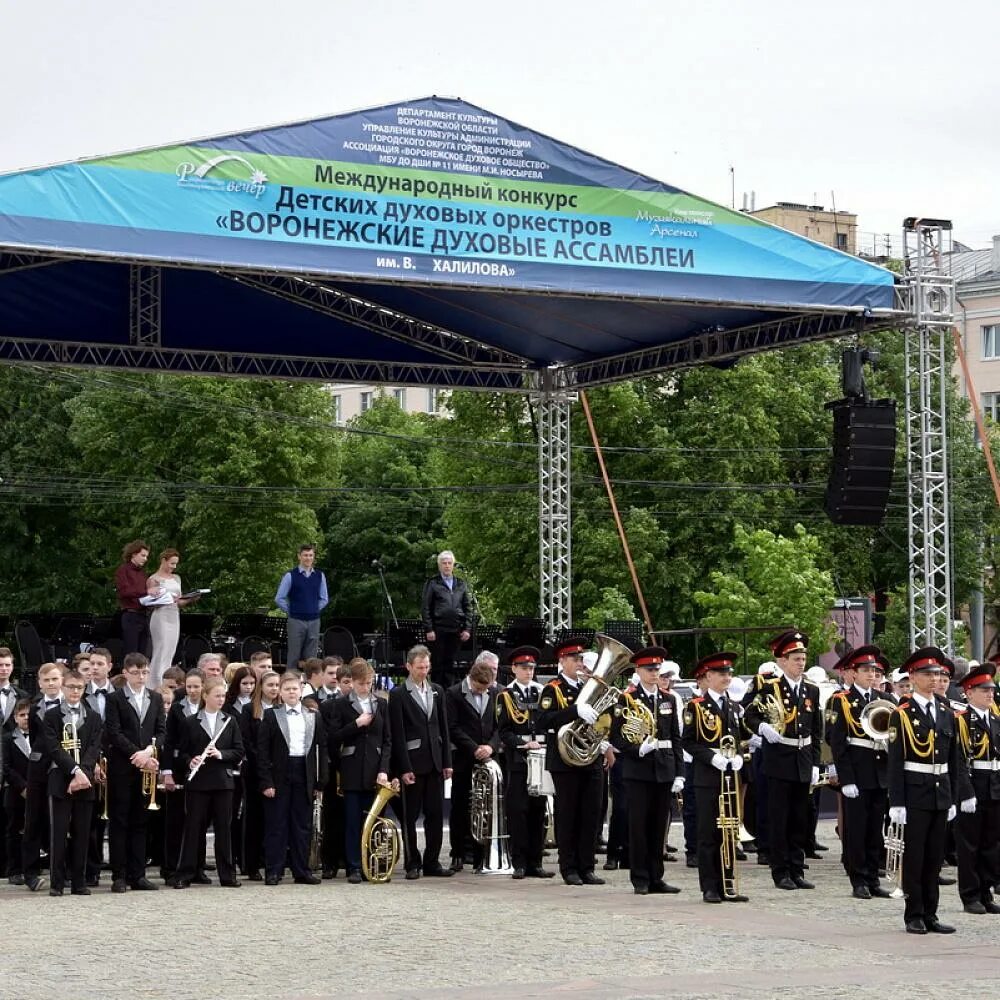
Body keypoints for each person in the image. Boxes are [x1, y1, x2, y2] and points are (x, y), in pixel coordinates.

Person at [887, 646, 963, 934]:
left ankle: (931, 912)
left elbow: (954, 758)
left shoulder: (946, 711)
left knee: (934, 857)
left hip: (939, 791)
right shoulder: (902, 713)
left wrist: (953, 795)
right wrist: (897, 801)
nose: (934, 679)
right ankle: (914, 913)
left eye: (938, 674)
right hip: (914, 792)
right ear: (913, 677)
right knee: (915, 856)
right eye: (927, 674)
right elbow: (896, 760)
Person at [743, 631, 822, 891]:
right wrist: (762, 728)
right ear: (783, 661)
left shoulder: (812, 689)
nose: (801, 662)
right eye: (796, 658)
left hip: (802, 758)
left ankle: (797, 868)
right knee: (780, 818)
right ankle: (781, 871)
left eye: (803, 658)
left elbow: (815, 730)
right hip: (778, 758)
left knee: (799, 818)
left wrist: (814, 764)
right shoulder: (770, 687)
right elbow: (749, 716)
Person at [536, 637, 611, 887]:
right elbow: (543, 721)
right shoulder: (553, 689)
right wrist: (574, 711)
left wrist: (602, 739)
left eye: (581, 658)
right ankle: (569, 867)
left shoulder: (587, 687)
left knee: (591, 814)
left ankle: (586, 866)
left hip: (589, 758)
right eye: (574, 659)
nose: (579, 663)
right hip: (565, 761)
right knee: (568, 814)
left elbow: (600, 720)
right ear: (562, 661)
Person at [611, 646, 684, 896]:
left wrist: (680, 772)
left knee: (657, 826)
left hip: (663, 768)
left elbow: (675, 737)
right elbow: (616, 737)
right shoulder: (627, 699)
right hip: (638, 769)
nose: (654, 673)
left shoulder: (668, 698)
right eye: (649, 669)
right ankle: (640, 878)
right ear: (639, 670)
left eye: (657, 669)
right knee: (638, 826)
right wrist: (636, 749)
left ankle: (657, 877)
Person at [682, 651, 749, 903]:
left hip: (730, 777)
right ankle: (710, 886)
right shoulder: (695, 707)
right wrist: (712, 758)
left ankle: (728, 884)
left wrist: (740, 755)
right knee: (708, 833)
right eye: (721, 674)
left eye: (729, 673)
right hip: (708, 777)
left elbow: (738, 738)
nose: (726, 677)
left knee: (728, 832)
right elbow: (688, 742)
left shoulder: (733, 706)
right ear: (708, 677)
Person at [826, 646, 893, 900]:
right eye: (865, 670)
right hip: (857, 771)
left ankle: (874, 877)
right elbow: (836, 740)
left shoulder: (886, 700)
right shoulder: (841, 700)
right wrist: (846, 778)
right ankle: (858, 879)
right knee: (856, 828)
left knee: (875, 829)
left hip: (880, 772)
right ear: (853, 673)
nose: (871, 674)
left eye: (874, 670)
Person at [388, 644, 453, 879]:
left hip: (435, 761)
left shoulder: (437, 690)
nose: (424, 671)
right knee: (410, 816)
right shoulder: (398, 694)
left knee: (435, 814)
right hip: (412, 763)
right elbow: (397, 734)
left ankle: (432, 861)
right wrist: (403, 767)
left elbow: (443, 727)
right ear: (408, 666)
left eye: (427, 666)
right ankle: (412, 862)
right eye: (419, 667)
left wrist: (447, 761)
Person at [174, 677, 244, 889]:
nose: (221, 699)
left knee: (224, 829)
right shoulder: (190, 721)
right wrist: (190, 760)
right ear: (205, 696)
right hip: (199, 783)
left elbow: (239, 750)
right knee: (193, 828)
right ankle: (185, 874)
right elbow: (181, 751)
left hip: (223, 783)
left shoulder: (230, 721)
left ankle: (227, 875)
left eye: (223, 696)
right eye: (217, 695)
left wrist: (221, 754)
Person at [104, 652, 166, 892]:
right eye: (136, 672)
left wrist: (150, 751)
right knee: (120, 821)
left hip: (147, 766)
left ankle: (137, 874)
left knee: (141, 821)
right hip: (123, 766)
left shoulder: (156, 698)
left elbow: (161, 731)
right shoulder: (115, 699)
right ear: (126, 672)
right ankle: (119, 875)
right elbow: (114, 732)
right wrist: (137, 755)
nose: (141, 676)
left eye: (144, 672)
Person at [257, 672, 326, 885]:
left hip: (304, 772)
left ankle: (301, 870)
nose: (291, 692)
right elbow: (263, 751)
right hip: (279, 773)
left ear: (301, 690)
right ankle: (273, 871)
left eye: (295, 689)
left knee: (302, 825)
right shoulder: (271, 715)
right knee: (276, 824)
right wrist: (266, 781)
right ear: (281, 693)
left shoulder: (313, 715)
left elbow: (321, 749)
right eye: (286, 689)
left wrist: (319, 781)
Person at [328, 658, 392, 883]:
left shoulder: (381, 704)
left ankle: (372, 865)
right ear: (353, 683)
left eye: (369, 683)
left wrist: (384, 769)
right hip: (352, 769)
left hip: (375, 770)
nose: (366, 687)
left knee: (375, 821)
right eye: (362, 683)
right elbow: (333, 737)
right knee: (353, 822)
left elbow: (387, 741)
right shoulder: (341, 705)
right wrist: (356, 724)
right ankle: (354, 865)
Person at [42, 669, 102, 896]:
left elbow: (94, 748)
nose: (75, 691)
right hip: (61, 779)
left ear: (84, 689)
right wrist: (75, 771)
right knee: (58, 833)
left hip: (84, 781)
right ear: (63, 688)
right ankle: (57, 883)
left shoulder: (94, 717)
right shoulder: (52, 716)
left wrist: (82, 773)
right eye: (71, 687)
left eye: (79, 688)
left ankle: (79, 882)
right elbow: (53, 748)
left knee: (82, 833)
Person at [495, 646, 553, 879]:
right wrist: (522, 743)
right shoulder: (506, 696)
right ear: (514, 670)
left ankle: (535, 862)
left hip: (540, 757)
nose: (529, 672)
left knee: (539, 811)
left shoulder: (542, 692)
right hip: (519, 759)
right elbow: (504, 731)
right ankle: (518, 861)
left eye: (531, 668)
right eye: (524, 668)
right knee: (518, 811)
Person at [953, 662, 1000, 914]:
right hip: (974, 785)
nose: (990, 694)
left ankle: (986, 892)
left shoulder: (995, 718)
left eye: (991, 690)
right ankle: (970, 895)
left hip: (994, 785)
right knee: (969, 845)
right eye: (984, 690)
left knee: (990, 844)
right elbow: (959, 760)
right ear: (969, 693)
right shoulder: (962, 720)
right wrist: (965, 792)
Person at [445, 660, 500, 872]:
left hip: (487, 759)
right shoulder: (454, 693)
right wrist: (474, 747)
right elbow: (453, 727)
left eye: (486, 688)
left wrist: (491, 747)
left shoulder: (494, 694)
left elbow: (499, 725)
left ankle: (480, 856)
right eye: (479, 687)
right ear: (471, 679)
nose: (483, 690)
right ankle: (457, 853)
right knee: (460, 807)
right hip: (464, 758)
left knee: (485, 808)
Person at [22, 661, 65, 892]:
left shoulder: (71, 704)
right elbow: (36, 737)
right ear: (39, 683)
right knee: (33, 819)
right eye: (46, 680)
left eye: (54, 679)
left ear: (62, 681)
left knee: (62, 820)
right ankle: (30, 872)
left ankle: (63, 870)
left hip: (64, 767)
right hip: (39, 768)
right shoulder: (34, 706)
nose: (50, 684)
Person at [160, 668, 205, 883]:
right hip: (179, 767)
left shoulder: (210, 708)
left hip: (203, 768)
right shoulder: (178, 709)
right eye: (189, 686)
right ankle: (171, 868)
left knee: (199, 820)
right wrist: (166, 772)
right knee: (176, 819)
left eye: (197, 686)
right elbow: (168, 742)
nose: (193, 690)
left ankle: (197, 867)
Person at [241, 670, 280, 881]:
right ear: (261, 688)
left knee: (274, 819)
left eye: (277, 685)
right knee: (254, 819)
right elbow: (247, 742)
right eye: (270, 685)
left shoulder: (283, 709)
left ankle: (273, 861)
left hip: (278, 771)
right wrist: (263, 762)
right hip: (255, 771)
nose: (274, 689)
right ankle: (251, 864)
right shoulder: (249, 710)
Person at [147, 548, 201, 690]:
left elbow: (180, 601)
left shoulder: (177, 578)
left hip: (174, 615)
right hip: (160, 616)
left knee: (170, 650)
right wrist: (164, 598)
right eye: (172, 563)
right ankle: (155, 684)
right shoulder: (153, 579)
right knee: (161, 649)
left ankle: (167, 681)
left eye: (176, 564)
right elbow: (151, 603)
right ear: (163, 561)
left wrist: (191, 599)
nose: (174, 567)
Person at [420, 550, 472, 687]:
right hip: (438, 629)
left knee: (451, 663)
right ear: (439, 565)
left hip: (456, 629)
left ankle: (449, 694)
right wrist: (429, 628)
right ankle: (437, 692)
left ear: (453, 565)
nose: (447, 566)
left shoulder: (461, 584)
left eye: (450, 563)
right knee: (437, 663)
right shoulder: (432, 583)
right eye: (444, 563)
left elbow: (468, 607)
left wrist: (467, 628)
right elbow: (425, 607)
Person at [275, 544, 329, 669]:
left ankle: (310, 684)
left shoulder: (320, 576)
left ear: (314, 557)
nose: (308, 558)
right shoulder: (290, 576)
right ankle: (291, 684)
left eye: (310, 555)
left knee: (312, 658)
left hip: (314, 620)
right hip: (296, 620)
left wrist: (314, 609)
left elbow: (324, 598)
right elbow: (279, 598)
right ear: (299, 556)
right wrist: (292, 610)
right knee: (294, 655)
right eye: (305, 555)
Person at [2, 699, 31, 885]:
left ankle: (32, 868)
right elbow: (6, 766)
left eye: (29, 714)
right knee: (14, 831)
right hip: (15, 792)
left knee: (35, 831)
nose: (26, 718)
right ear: (15, 718)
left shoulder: (42, 737)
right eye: (22, 715)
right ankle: (14, 870)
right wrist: (22, 787)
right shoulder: (7, 738)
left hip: (38, 790)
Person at [115, 539, 152, 657]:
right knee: (131, 652)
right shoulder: (123, 570)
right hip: (131, 615)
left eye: (146, 556)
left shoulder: (143, 574)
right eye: (143, 555)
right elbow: (124, 591)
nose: (145, 559)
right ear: (134, 554)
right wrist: (146, 592)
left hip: (144, 615)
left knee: (143, 652)